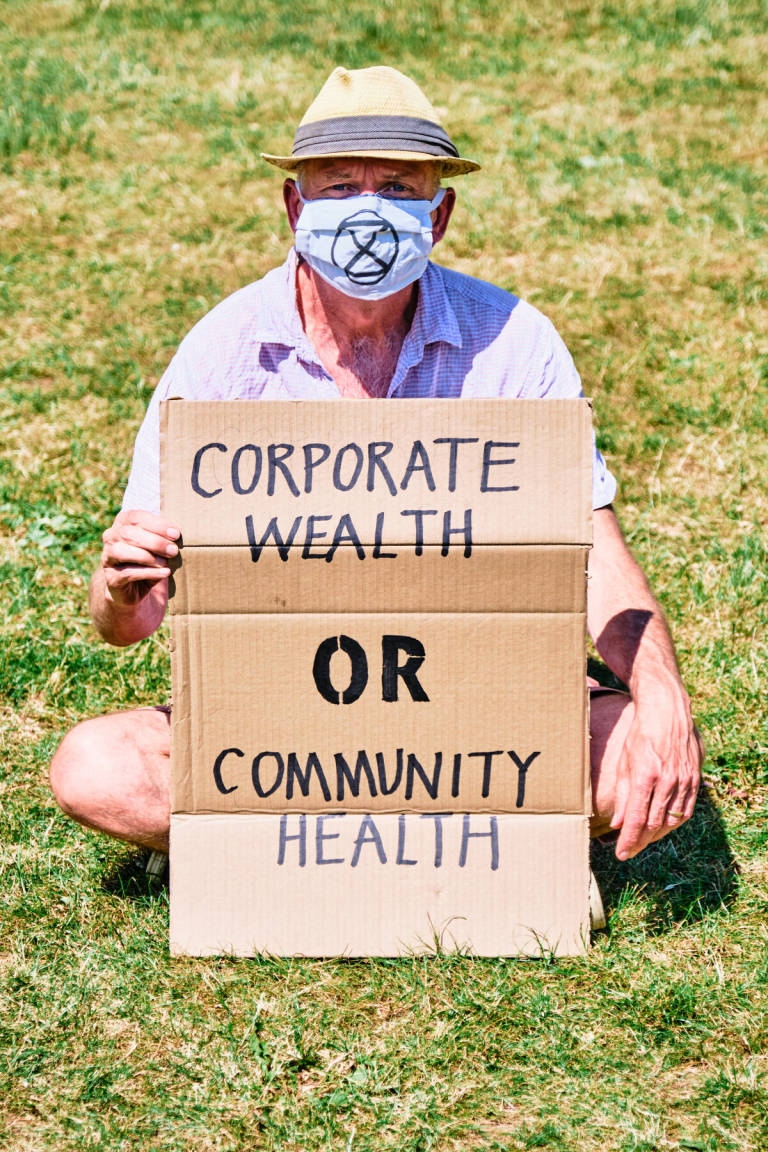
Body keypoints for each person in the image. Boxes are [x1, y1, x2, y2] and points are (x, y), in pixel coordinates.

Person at [50, 65, 702, 868]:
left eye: (396, 187)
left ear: (441, 214)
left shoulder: (515, 342)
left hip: (484, 706)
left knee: (640, 746)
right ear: (295, 208)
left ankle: (294, 840)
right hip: (282, 716)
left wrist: (663, 696)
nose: (368, 209)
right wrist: (117, 590)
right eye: (336, 186)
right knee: (95, 768)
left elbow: (594, 547)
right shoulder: (221, 356)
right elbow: (132, 620)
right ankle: (461, 839)